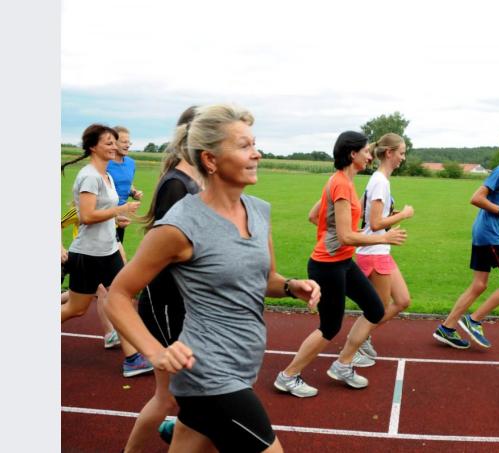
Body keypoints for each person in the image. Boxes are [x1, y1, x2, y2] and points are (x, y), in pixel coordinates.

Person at [106, 104, 320, 453]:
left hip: (244, 364)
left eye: (255, 143)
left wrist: (291, 286)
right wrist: (155, 352)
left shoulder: (259, 210)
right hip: (207, 373)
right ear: (210, 160)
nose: (257, 154)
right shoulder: (181, 226)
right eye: (243, 146)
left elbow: (265, 280)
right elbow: (119, 294)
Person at [274, 131, 406, 398]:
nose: (370, 155)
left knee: (374, 307)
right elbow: (346, 235)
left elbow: (315, 216)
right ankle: (288, 375)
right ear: (352, 154)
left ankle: (343, 364)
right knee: (330, 326)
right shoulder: (342, 185)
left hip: (342, 262)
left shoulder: (339, 180)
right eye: (366, 151)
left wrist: (330, 235)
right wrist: (384, 236)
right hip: (328, 267)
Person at [121, 107, 203, 452]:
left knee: (185, 399)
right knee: (172, 397)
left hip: (186, 301)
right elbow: (172, 249)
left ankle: (180, 432)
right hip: (168, 301)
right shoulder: (177, 184)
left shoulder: (192, 180)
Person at [60, 124, 152, 378]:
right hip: (89, 254)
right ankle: (134, 357)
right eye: (109, 143)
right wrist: (119, 211)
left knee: (119, 300)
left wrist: (115, 220)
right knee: (77, 308)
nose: (114, 147)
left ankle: (133, 358)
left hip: (107, 250)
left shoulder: (107, 176)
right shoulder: (89, 176)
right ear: (92, 147)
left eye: (115, 142)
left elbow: (101, 214)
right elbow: (86, 216)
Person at [432, 131, 499, 349]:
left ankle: (447, 329)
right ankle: (474, 320)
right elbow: (476, 198)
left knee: (479, 285)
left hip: (483, 233)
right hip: (490, 236)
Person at [352, 133, 414, 359]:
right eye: (401, 153)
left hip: (379, 250)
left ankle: (361, 337)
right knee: (376, 308)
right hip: (374, 251)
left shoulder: (380, 181)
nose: (403, 158)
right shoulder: (379, 182)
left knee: (403, 300)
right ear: (389, 153)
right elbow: (376, 223)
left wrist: (391, 214)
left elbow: (368, 216)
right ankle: (354, 346)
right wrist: (404, 215)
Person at [61, 204, 119, 349]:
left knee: (84, 297)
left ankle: (110, 334)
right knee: (100, 292)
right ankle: (109, 334)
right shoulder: (78, 210)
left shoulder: (105, 209)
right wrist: (60, 248)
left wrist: (120, 222)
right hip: (83, 256)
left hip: (101, 257)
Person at [106, 126, 143, 255]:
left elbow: (128, 183)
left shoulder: (131, 163)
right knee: (112, 256)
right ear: (113, 142)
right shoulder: (105, 163)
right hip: (105, 215)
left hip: (123, 216)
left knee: (115, 254)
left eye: (129, 142)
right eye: (124, 142)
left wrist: (134, 192)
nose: (128, 145)